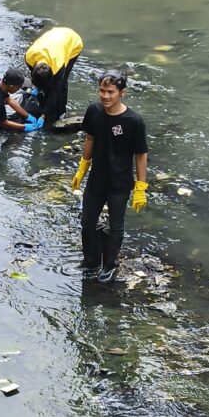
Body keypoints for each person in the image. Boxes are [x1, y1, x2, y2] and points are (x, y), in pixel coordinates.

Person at [71, 70, 148, 283]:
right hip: (96, 179)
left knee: (115, 226)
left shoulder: (133, 121)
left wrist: (141, 187)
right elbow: (90, 139)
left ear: (122, 93)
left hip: (119, 183)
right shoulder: (94, 111)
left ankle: (109, 265)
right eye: (102, 91)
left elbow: (141, 155)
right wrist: (82, 168)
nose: (105, 96)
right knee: (87, 222)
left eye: (111, 92)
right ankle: (91, 260)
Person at [24, 26, 83, 125]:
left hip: (72, 41)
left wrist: (43, 115)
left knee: (62, 85)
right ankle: (47, 105)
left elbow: (56, 90)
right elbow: (34, 75)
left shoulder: (58, 66)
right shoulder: (29, 58)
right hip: (54, 37)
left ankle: (62, 113)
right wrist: (37, 88)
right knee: (47, 89)